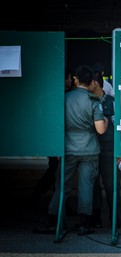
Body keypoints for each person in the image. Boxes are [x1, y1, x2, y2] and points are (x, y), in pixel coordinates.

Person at [37, 65, 108, 236]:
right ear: (91, 82)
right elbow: (100, 130)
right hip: (89, 150)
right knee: (86, 186)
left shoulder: (64, 98)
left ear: (75, 80)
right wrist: (104, 119)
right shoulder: (93, 100)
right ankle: (84, 224)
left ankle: (53, 220)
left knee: (62, 186)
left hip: (68, 148)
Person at [29, 66, 73, 211]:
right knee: (57, 172)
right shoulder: (63, 96)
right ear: (66, 78)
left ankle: (46, 198)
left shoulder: (53, 94)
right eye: (70, 78)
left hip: (55, 140)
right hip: (59, 141)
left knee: (55, 171)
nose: (71, 81)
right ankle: (57, 205)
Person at [89, 70, 121, 228]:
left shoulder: (113, 102)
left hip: (109, 150)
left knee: (111, 185)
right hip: (92, 148)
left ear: (95, 83)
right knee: (93, 185)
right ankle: (95, 217)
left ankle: (114, 217)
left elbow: (120, 128)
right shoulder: (88, 101)